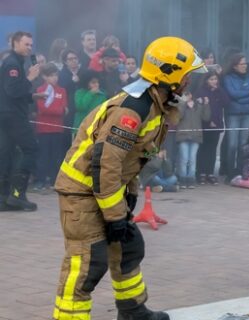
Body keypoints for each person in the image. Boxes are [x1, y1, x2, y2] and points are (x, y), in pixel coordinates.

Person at [52, 36, 207, 320]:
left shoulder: (154, 105)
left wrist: (130, 196)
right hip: (82, 192)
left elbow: (132, 159)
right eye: (186, 76)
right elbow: (106, 164)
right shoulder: (132, 110)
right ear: (169, 76)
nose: (189, 82)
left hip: (105, 189)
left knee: (129, 246)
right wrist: (115, 217)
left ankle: (133, 311)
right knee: (88, 263)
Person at [0, 31, 43, 211]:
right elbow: (13, 90)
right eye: (26, 44)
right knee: (30, 148)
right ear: (15, 43)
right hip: (13, 115)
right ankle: (18, 194)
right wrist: (30, 78)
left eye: (31, 45)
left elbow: (10, 93)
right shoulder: (12, 63)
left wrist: (32, 96)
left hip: (6, 113)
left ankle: (4, 197)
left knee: (7, 152)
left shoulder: (15, 62)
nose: (29, 48)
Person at [222, 53, 249, 178]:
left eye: (245, 63)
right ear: (235, 66)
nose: (245, 66)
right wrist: (247, 93)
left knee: (243, 144)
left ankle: (241, 169)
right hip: (233, 114)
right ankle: (230, 171)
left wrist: (241, 100)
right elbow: (232, 94)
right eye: (242, 64)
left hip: (248, 114)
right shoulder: (228, 78)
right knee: (232, 144)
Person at [34, 63, 68, 190]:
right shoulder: (40, 91)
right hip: (43, 129)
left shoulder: (62, 90)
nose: (55, 78)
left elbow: (64, 109)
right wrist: (58, 110)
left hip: (57, 128)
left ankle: (55, 180)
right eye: (51, 76)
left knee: (56, 156)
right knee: (43, 155)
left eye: (56, 75)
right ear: (44, 77)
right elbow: (42, 109)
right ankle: (40, 180)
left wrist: (58, 110)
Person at [195, 71, 229, 185]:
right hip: (205, 125)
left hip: (217, 124)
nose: (214, 81)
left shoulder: (219, 91)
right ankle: (201, 172)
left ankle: (210, 172)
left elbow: (226, 102)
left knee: (213, 149)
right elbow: (200, 110)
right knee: (203, 149)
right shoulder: (201, 92)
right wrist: (209, 121)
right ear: (206, 80)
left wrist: (219, 90)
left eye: (215, 79)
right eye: (212, 79)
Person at [175, 90, 211, 189]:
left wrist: (206, 105)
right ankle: (183, 179)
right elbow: (178, 117)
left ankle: (191, 179)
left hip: (196, 136)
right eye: (184, 94)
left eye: (188, 94)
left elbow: (206, 118)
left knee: (192, 159)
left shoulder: (198, 105)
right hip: (183, 135)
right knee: (184, 159)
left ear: (192, 95)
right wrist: (182, 103)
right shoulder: (179, 105)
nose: (187, 96)